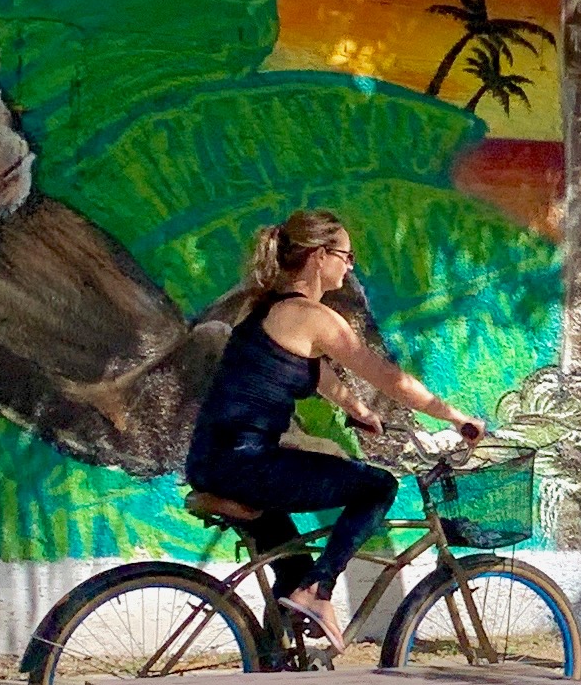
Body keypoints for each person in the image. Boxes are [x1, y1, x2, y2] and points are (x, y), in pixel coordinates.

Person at [186, 210, 483, 637]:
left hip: (214, 460)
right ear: (319, 256)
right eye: (346, 254)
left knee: (292, 573)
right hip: (246, 464)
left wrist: (358, 411)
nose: (350, 264)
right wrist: (456, 418)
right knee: (378, 486)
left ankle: (276, 653)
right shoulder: (312, 316)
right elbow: (387, 377)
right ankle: (319, 591)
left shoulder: (268, 308)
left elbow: (314, 370)